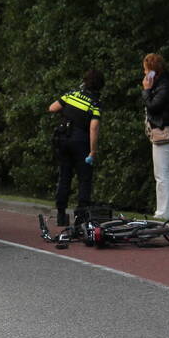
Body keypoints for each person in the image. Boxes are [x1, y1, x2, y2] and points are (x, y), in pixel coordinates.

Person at [49, 69, 104, 226]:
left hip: (63, 139)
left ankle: (61, 214)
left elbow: (52, 108)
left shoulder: (71, 94)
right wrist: (93, 151)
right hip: (81, 143)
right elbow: (93, 128)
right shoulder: (95, 103)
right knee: (84, 179)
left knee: (64, 176)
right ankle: (80, 217)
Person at [141, 52, 169, 220]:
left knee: (161, 175)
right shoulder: (166, 84)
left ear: (153, 72)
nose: (144, 74)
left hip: (166, 134)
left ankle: (163, 212)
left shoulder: (163, 87)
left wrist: (146, 91)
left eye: (146, 70)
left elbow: (153, 106)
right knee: (167, 173)